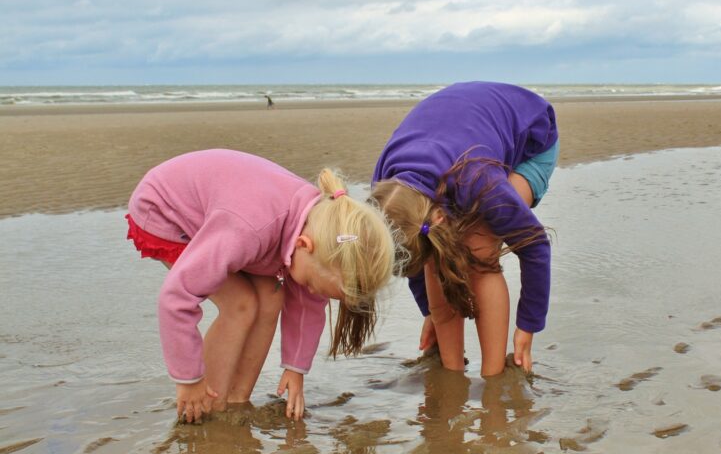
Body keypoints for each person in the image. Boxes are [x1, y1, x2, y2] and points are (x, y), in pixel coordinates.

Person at [126, 149, 395, 423]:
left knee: (270, 295)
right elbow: (176, 297)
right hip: (165, 210)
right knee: (241, 304)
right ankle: (207, 406)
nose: (314, 294)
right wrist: (188, 378)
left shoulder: (318, 231)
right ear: (303, 246)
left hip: (232, 213)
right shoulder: (247, 230)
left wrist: (295, 369)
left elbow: (307, 307)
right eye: (317, 287)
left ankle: (237, 400)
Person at [371, 82, 558, 377]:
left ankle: (493, 375)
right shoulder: (386, 193)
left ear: (438, 218)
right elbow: (412, 258)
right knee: (434, 258)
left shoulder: (479, 181)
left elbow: (535, 247)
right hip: (464, 132)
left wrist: (528, 326)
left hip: (531, 141)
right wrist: (429, 312)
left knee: (479, 250)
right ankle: (452, 370)